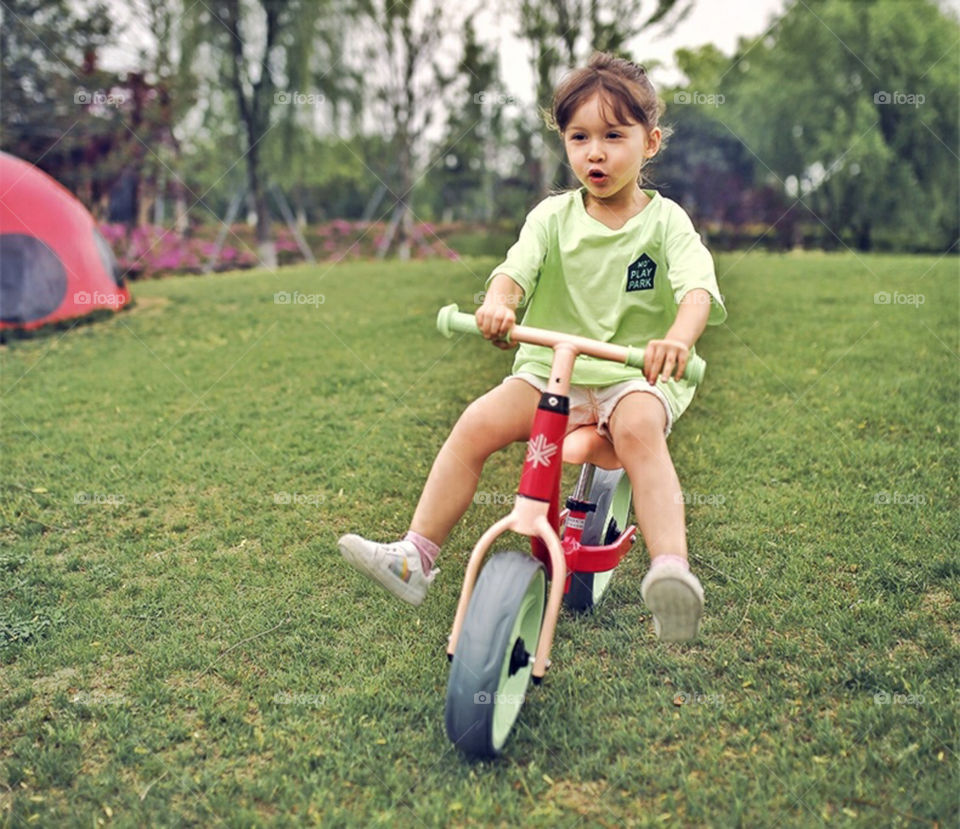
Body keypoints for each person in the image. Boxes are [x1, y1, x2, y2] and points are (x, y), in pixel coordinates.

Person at [339, 52, 726, 642]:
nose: (594, 152)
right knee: (475, 424)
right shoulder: (551, 217)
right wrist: (500, 303)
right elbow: (514, 272)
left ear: (649, 143)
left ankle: (670, 573)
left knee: (640, 429)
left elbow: (696, 289)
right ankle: (415, 555)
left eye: (613, 136)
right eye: (579, 137)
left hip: (630, 373)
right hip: (553, 367)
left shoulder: (666, 222)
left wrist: (676, 338)